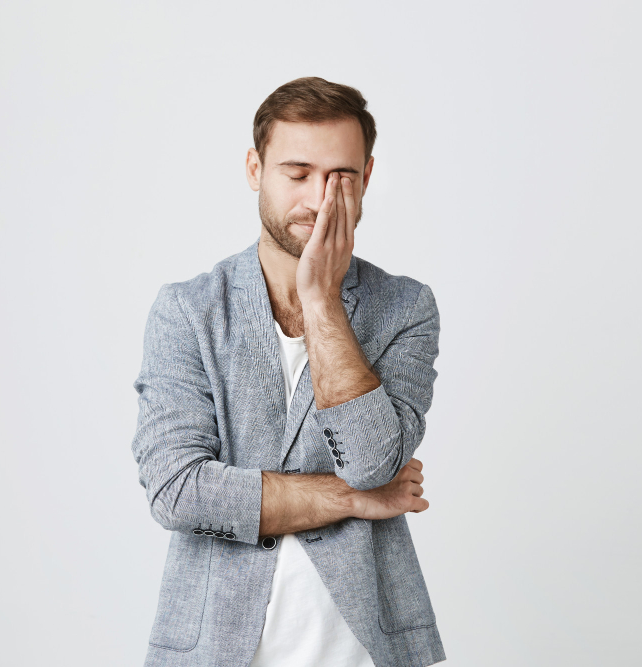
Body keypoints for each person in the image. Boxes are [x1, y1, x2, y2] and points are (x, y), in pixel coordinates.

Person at [131, 77, 445, 667]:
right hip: (216, 648)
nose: (319, 201)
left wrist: (324, 301)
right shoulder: (189, 311)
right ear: (255, 169)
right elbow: (178, 491)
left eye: (340, 177)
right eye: (297, 174)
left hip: (365, 648)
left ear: (367, 177)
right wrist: (352, 499)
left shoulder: (405, 306)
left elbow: (374, 460)